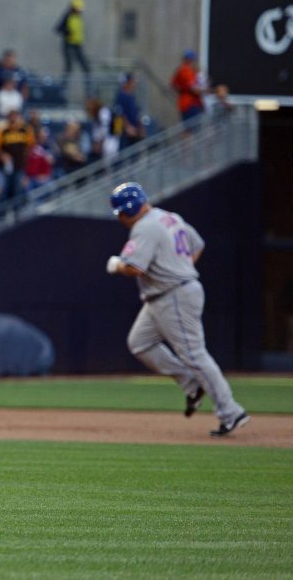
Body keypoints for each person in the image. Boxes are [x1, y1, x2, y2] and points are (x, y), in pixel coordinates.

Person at [106, 183, 249, 437]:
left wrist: (117, 266)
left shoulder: (145, 227)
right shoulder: (169, 217)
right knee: (140, 343)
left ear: (130, 210)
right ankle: (191, 384)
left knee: (194, 354)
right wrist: (179, 266)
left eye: (121, 214)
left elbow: (135, 268)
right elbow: (197, 245)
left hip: (173, 294)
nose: (121, 219)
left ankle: (230, 411)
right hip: (167, 293)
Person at [56, 0, 89, 87]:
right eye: (79, 8)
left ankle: (89, 91)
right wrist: (67, 32)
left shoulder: (78, 16)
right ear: (74, 7)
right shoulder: (67, 16)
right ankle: (63, 89)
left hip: (78, 44)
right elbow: (58, 28)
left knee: (86, 68)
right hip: (69, 45)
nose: (80, 10)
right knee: (69, 68)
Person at [170, 49, 204, 121]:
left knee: (188, 128)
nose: (195, 61)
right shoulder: (186, 70)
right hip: (190, 103)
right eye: (194, 59)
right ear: (190, 59)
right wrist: (206, 90)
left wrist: (182, 90)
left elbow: (174, 84)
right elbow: (194, 89)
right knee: (191, 129)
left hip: (186, 103)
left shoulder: (182, 70)